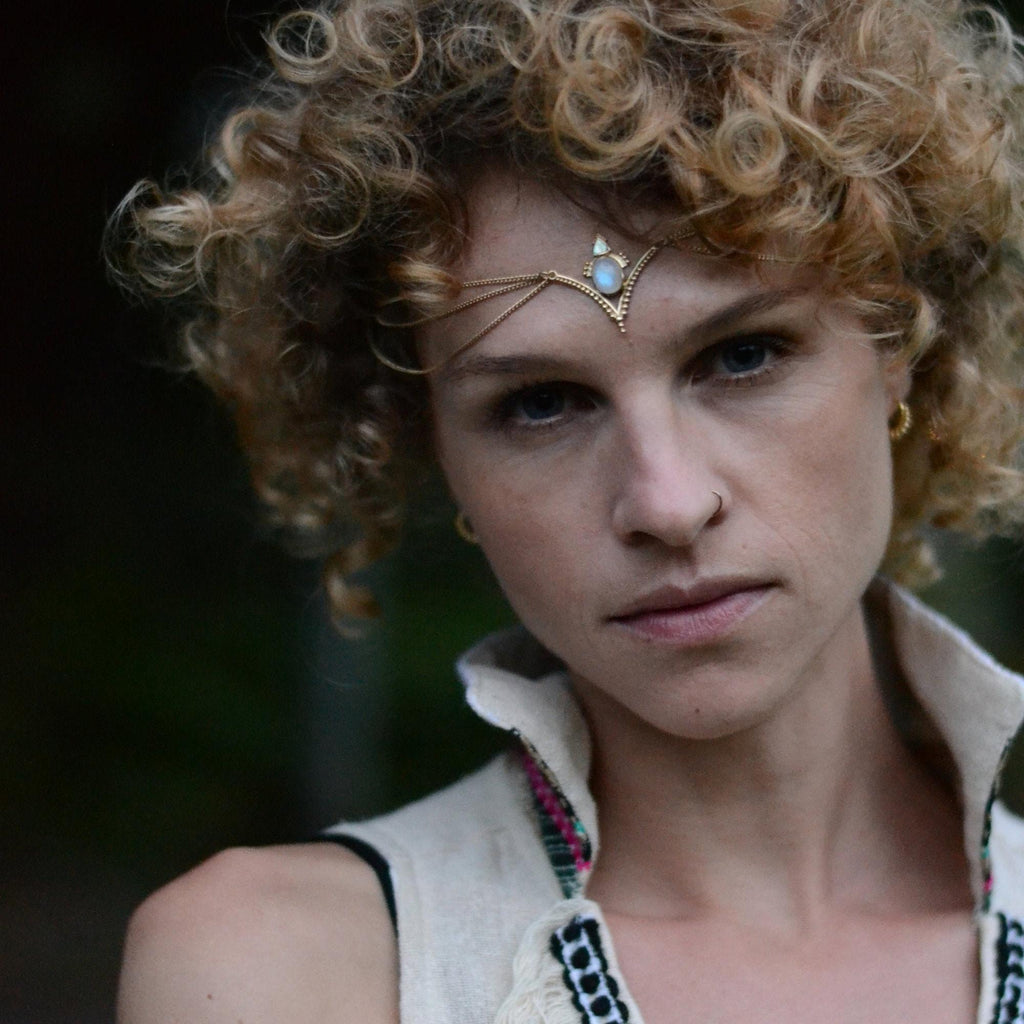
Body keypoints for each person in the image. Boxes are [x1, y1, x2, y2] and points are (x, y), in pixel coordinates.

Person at [110, 0, 1024, 1021]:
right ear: (430, 448)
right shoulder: (285, 970)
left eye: (743, 355)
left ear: (898, 345)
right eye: (540, 404)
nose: (667, 504)